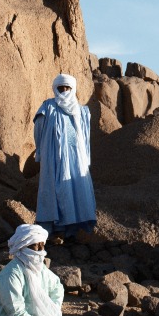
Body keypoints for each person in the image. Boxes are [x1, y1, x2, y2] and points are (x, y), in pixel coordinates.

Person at [33, 73, 96, 240]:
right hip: (55, 157)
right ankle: (54, 229)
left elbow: (85, 135)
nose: (64, 91)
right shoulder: (48, 107)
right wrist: (40, 151)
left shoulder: (82, 111)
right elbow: (38, 129)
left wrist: (86, 157)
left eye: (67, 88)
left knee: (73, 189)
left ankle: (70, 231)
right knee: (55, 189)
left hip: (74, 158)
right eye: (61, 88)